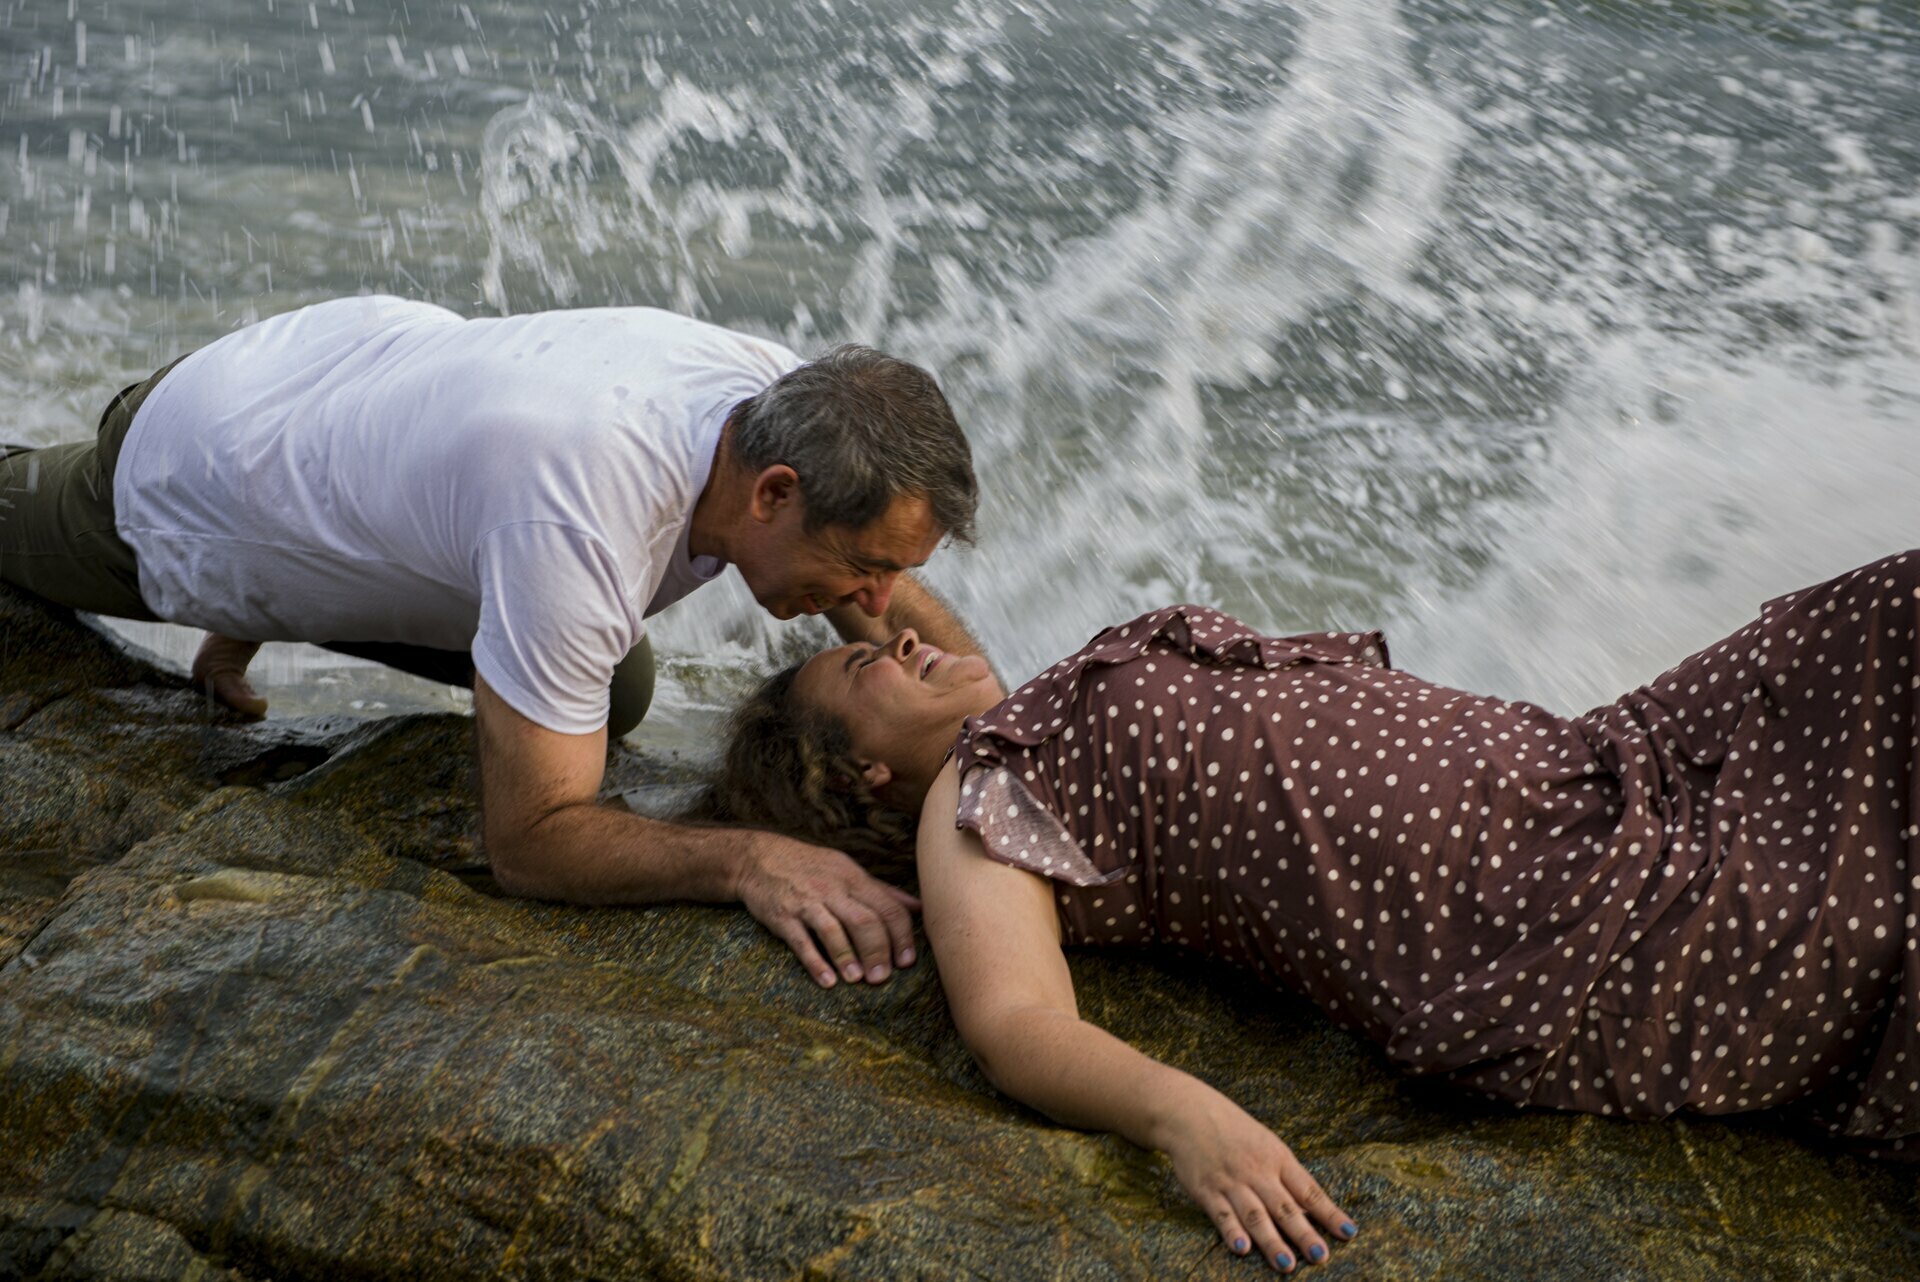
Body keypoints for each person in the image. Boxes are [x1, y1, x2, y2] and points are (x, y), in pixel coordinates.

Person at [701, 553, 1919, 1272]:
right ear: (857, 775)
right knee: (1867, 914)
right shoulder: (973, 796)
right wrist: (1187, 1117)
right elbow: (1015, 1019)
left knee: (1878, 618)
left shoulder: (1017, 721)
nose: (905, 637)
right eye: (870, 665)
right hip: (1548, 913)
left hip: (1593, 767)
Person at [0, 294, 997, 991]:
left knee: (610, 690)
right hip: (187, 466)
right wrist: (752, 863)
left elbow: (874, 586)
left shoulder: (783, 404)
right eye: (870, 567)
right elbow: (529, 843)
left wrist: (1011, 735)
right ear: (776, 493)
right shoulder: (581, 513)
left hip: (347, 381)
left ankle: (283, 580)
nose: (882, 601)